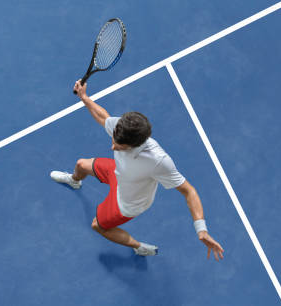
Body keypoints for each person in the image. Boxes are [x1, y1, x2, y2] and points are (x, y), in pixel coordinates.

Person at [50, 80, 224, 259]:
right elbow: (103, 118)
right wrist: (84, 98)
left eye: (119, 146)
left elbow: (189, 191)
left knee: (97, 226)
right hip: (119, 173)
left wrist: (201, 229)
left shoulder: (158, 161)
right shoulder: (123, 127)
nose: (113, 148)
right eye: (114, 140)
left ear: (135, 144)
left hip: (127, 202)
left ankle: (138, 246)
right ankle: (74, 181)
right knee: (81, 165)